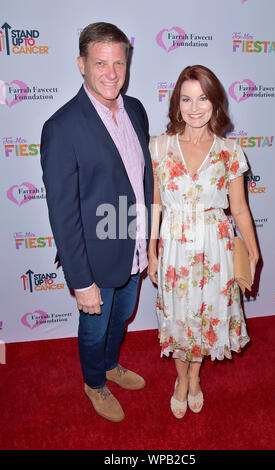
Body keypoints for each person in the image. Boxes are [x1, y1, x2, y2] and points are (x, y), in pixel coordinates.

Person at [40, 22, 153, 422]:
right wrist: (81, 281)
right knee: (93, 327)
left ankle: (109, 365)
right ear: (81, 64)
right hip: (93, 254)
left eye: (118, 63)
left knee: (121, 318)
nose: (111, 73)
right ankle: (94, 382)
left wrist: (149, 242)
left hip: (133, 242)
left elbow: (144, 180)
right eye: (101, 63)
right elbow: (63, 212)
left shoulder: (135, 108)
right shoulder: (62, 127)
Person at [148, 65, 259, 418]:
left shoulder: (229, 151)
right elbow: (156, 203)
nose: (195, 108)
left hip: (216, 248)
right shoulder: (160, 146)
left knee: (206, 318)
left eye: (203, 98)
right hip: (175, 248)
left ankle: (195, 378)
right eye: (186, 99)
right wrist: (151, 250)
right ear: (176, 103)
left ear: (215, 103)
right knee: (180, 321)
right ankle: (180, 380)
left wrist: (254, 253)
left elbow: (239, 209)